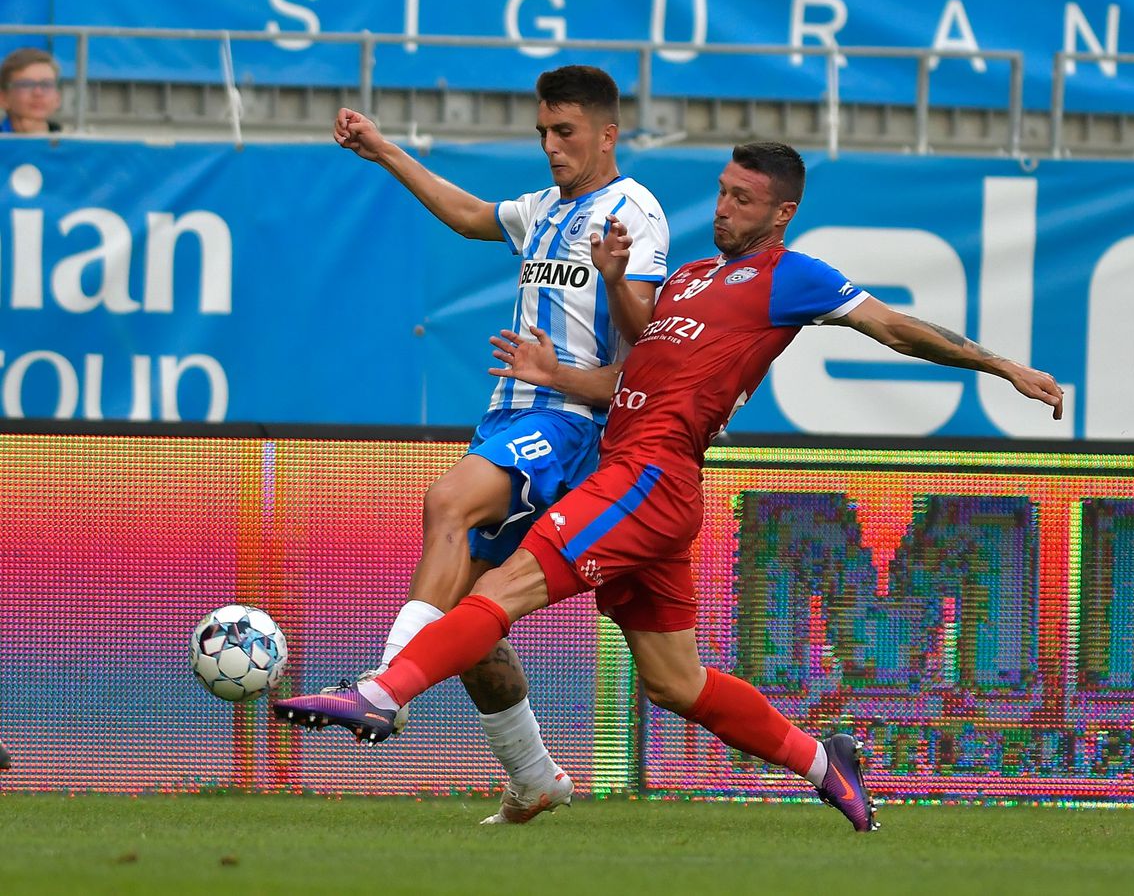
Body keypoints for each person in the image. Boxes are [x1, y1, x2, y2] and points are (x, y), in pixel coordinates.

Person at [274, 142, 1064, 832]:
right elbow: (632, 374)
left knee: (500, 585)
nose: (722, 208)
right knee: (674, 681)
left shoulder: (791, 277)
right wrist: (577, 346)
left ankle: (381, 691)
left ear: (781, 212)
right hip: (636, 475)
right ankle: (827, 762)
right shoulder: (686, 279)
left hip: (649, 477)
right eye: (721, 191)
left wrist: (1005, 367)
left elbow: (895, 327)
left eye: (742, 199)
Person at [311, 65, 670, 824]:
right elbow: (471, 214)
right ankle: (535, 777)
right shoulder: (542, 209)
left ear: (607, 134)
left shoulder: (632, 208)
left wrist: (572, 348)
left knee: (445, 499)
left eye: (565, 132)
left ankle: (386, 685)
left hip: (569, 424)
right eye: (542, 132)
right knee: (470, 620)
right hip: (507, 420)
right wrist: (384, 151)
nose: (550, 146)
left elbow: (648, 343)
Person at [0, 48, 62, 134]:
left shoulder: (72, 144)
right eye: (25, 85)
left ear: (57, 97)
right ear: (3, 98)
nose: (38, 93)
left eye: (46, 84)